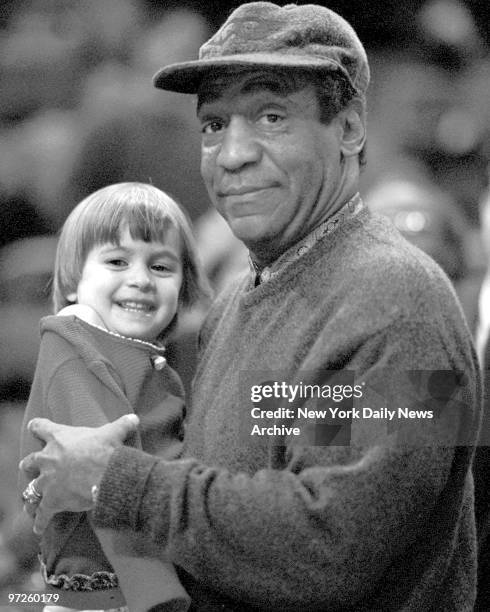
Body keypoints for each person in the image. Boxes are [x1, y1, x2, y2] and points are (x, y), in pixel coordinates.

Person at [20, 3, 482, 611]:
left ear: (348, 129)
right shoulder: (240, 295)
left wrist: (115, 480)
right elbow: (254, 484)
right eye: (213, 125)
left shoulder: (403, 303)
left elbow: (332, 548)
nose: (232, 154)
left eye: (270, 116)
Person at [19, 182, 210, 612]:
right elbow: (101, 484)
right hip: (110, 598)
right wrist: (159, 597)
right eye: (117, 261)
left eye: (161, 268)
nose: (140, 280)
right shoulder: (76, 355)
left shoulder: (147, 364)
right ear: (73, 280)